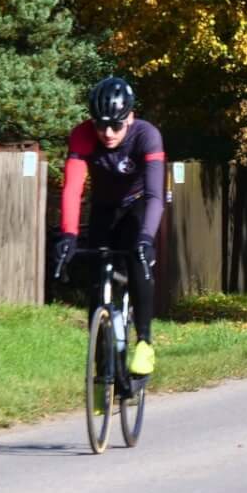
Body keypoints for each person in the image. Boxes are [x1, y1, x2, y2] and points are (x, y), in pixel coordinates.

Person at [52, 76, 166, 377]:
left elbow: (155, 196)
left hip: (137, 206)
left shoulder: (147, 136)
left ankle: (144, 342)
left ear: (130, 117)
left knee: (139, 262)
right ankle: (102, 362)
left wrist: (146, 239)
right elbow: (73, 189)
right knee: (96, 280)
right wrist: (69, 235)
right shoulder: (82, 135)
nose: (108, 133)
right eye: (101, 125)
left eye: (116, 125)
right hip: (104, 208)